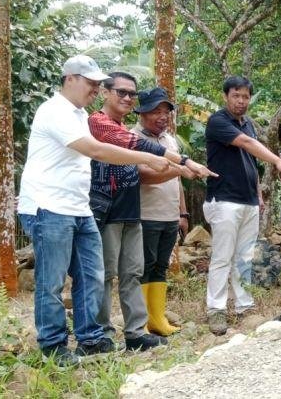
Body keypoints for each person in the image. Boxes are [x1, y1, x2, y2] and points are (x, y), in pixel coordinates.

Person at [17, 55, 171, 366]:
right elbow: (97, 150)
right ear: (70, 78)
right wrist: (151, 158)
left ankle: (91, 338)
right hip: (49, 206)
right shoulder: (53, 111)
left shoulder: (78, 114)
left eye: (98, 84)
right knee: (52, 280)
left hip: (78, 207)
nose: (94, 89)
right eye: (91, 83)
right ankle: (53, 345)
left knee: (92, 274)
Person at [89, 73, 213, 351]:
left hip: (131, 210)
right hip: (108, 210)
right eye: (121, 92)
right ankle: (102, 334)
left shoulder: (164, 138)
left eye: (131, 94)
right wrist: (182, 164)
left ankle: (136, 333)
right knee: (106, 274)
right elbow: (143, 153)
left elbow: (157, 164)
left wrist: (182, 208)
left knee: (133, 272)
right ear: (104, 93)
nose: (126, 98)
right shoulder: (100, 124)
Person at [204, 76, 281, 335]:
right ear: (226, 96)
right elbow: (247, 145)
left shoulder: (248, 125)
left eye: (246, 96)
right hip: (224, 199)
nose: (241, 101)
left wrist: (257, 194)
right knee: (223, 257)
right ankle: (216, 310)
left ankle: (244, 306)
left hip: (248, 200)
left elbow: (251, 162)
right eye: (236, 95)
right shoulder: (218, 121)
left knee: (244, 257)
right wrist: (279, 162)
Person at [132, 87, 194, 336]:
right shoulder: (132, 138)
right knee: (144, 267)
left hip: (169, 216)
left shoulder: (170, 140)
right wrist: (180, 169)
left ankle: (157, 319)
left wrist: (183, 213)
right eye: (156, 111)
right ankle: (141, 322)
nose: (162, 117)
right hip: (146, 215)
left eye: (166, 112)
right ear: (142, 113)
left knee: (160, 267)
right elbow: (143, 176)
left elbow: (176, 182)